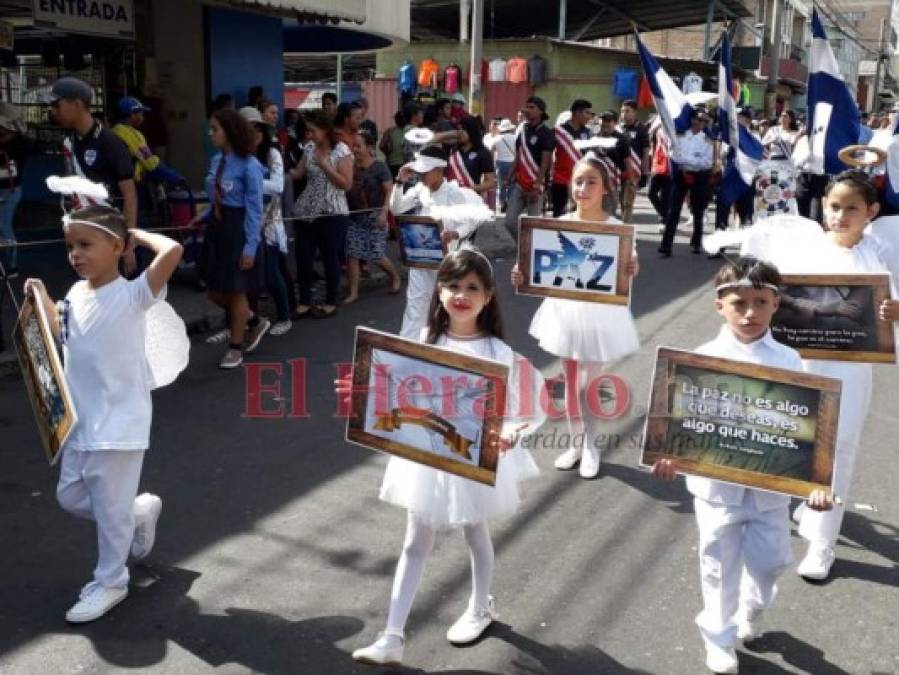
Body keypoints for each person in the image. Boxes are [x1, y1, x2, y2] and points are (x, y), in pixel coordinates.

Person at [339, 248, 543, 667]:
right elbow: (397, 394)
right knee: (416, 541)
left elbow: (522, 408)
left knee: (475, 530)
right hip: (426, 457)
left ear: (488, 296)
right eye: (452, 285)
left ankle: (481, 607)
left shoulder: (498, 352)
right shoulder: (422, 339)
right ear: (439, 292)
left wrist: (508, 432)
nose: (461, 295)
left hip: (471, 456)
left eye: (472, 287)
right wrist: (363, 396)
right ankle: (392, 635)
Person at [651, 256, 834, 675]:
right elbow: (681, 424)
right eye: (739, 303)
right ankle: (718, 635)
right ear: (720, 306)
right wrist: (668, 458)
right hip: (716, 489)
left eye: (760, 302)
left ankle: (751, 607)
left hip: (769, 489)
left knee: (772, 563)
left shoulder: (790, 360)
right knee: (717, 562)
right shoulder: (699, 358)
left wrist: (816, 484)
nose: (750, 313)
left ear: (775, 305)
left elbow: (807, 426)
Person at [24, 202, 183, 623]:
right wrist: (42, 299)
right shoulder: (76, 293)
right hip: (81, 421)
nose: (76, 253)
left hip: (119, 424)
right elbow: (65, 337)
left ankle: (111, 581)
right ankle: (136, 511)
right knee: (70, 496)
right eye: (71, 245)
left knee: (107, 511)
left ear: (116, 247)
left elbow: (172, 251)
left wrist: (137, 232)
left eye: (86, 244)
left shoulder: (133, 295)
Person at [789, 171, 899, 580]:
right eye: (834, 206)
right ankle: (808, 499)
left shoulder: (881, 256)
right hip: (804, 361)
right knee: (805, 438)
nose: (840, 215)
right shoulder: (805, 251)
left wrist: (894, 312)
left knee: (840, 446)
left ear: (871, 211)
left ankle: (823, 543)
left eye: (851, 207)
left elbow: (893, 306)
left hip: (852, 367)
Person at [511, 152, 639, 478]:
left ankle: (592, 446)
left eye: (591, 182)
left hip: (600, 317)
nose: (583, 188)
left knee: (589, 385)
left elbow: (625, 267)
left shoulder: (617, 229)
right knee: (569, 383)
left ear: (605, 189)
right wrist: (523, 274)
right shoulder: (559, 225)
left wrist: (631, 267)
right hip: (565, 313)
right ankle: (575, 444)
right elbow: (541, 266)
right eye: (578, 181)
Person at [191, 108, 270, 369]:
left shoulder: (250, 166)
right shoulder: (217, 161)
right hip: (217, 227)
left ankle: (235, 348)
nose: (210, 134)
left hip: (238, 230)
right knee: (214, 289)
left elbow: (254, 210)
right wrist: (202, 219)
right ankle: (253, 320)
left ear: (231, 132)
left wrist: (250, 246)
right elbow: (217, 198)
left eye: (215, 129)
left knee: (236, 291)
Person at [390, 146, 491, 339]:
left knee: (447, 307)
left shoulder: (455, 192)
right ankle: (407, 350)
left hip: (447, 261)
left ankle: (446, 350)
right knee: (416, 306)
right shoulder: (420, 190)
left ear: (439, 170)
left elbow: (475, 217)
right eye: (419, 172)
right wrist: (399, 181)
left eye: (425, 172)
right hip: (420, 258)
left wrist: (456, 233)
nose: (421, 176)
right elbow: (396, 209)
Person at [49, 77, 139, 275]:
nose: (53, 111)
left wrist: (128, 241)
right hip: (84, 235)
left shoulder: (110, 141)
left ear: (77, 103)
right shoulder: (68, 143)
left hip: (111, 238)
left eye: (57, 105)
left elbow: (130, 195)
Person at [289, 110, 353, 319]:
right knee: (303, 256)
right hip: (307, 210)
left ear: (325, 130)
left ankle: (331, 300)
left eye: (313, 131)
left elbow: (346, 184)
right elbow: (298, 174)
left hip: (332, 211)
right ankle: (305, 301)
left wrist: (325, 164)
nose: (309, 135)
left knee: (329, 257)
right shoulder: (308, 148)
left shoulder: (341, 151)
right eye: (307, 131)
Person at [240, 106, 292, 336]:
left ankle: (284, 316)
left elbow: (278, 186)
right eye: (248, 129)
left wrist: (248, 184)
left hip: (269, 221)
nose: (254, 133)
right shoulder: (235, 156)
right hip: (243, 222)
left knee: (271, 273)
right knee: (243, 277)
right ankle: (245, 320)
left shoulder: (272, 155)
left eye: (257, 128)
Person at [344, 131, 401, 304]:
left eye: (358, 146)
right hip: (355, 218)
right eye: (353, 146)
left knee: (375, 254)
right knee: (352, 253)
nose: (355, 149)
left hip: (376, 216)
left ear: (369, 148)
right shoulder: (351, 166)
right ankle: (353, 292)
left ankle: (395, 276)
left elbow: (389, 191)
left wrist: (384, 212)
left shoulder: (380, 167)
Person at [659, 108, 717, 257]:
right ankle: (666, 245)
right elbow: (674, 156)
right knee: (674, 210)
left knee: (698, 211)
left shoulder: (708, 140)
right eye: (699, 119)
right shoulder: (680, 136)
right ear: (692, 120)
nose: (702, 123)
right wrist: (690, 161)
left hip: (700, 176)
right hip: (681, 174)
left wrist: (688, 160)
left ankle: (696, 242)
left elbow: (707, 162)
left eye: (705, 120)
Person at [504, 96, 555, 241]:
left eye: (532, 107)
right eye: (527, 106)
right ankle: (524, 246)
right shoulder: (523, 131)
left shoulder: (547, 133)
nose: (527, 110)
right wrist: (509, 176)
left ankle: (530, 249)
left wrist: (538, 185)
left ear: (541, 112)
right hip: (519, 184)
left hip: (535, 186)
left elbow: (546, 163)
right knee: (509, 222)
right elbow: (518, 156)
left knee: (533, 226)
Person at [0, 104, 32, 272]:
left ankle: (11, 267)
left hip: (10, 191)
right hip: (7, 189)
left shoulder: (18, 145)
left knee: (3, 226)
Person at [551, 99, 593, 217]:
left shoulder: (588, 133)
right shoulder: (558, 131)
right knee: (559, 215)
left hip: (581, 182)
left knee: (578, 216)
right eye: (587, 113)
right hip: (560, 181)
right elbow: (547, 154)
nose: (589, 117)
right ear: (577, 113)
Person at [447, 116, 496, 203]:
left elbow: (490, 182)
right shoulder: (452, 150)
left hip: (470, 199)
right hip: (449, 198)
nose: (460, 132)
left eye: (463, 129)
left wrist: (470, 189)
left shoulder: (483, 152)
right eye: (458, 129)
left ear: (471, 130)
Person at [618, 99, 650, 222]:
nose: (623, 114)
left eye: (627, 111)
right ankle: (622, 223)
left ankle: (625, 228)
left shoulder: (641, 129)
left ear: (634, 112)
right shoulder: (619, 128)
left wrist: (644, 172)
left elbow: (646, 152)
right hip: (619, 169)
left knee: (628, 202)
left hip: (634, 171)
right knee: (620, 200)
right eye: (622, 111)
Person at [485, 118, 516, 211]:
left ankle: (502, 203)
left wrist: (491, 161)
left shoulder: (497, 138)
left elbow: (490, 149)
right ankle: (510, 203)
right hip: (513, 163)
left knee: (501, 185)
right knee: (511, 185)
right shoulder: (515, 138)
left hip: (500, 163)